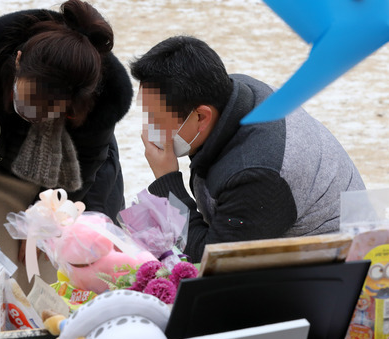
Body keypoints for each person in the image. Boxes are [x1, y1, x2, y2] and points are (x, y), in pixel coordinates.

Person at [0, 0, 133, 292]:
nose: (34, 116)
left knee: (63, 271)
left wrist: (42, 220)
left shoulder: (99, 95)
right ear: (18, 61)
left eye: (50, 111)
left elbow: (87, 163)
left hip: (67, 174)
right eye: (29, 103)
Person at [130, 35, 365, 262]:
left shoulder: (255, 173)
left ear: (201, 116)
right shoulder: (235, 91)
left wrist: (167, 180)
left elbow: (213, 261)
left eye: (157, 119)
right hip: (278, 232)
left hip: (333, 265)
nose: (149, 129)